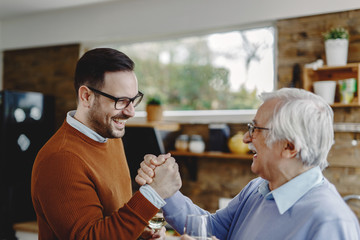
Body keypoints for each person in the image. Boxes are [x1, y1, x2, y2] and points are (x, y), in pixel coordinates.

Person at [136, 88, 360, 239]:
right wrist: (165, 189)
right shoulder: (257, 189)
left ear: (290, 147)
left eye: (256, 130)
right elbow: (210, 228)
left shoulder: (331, 222)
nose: (245, 138)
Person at [31, 48, 181, 240]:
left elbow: (111, 220)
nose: (131, 112)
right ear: (86, 96)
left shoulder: (110, 137)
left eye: (133, 100)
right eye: (121, 101)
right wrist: (153, 194)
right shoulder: (61, 159)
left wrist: (137, 231)